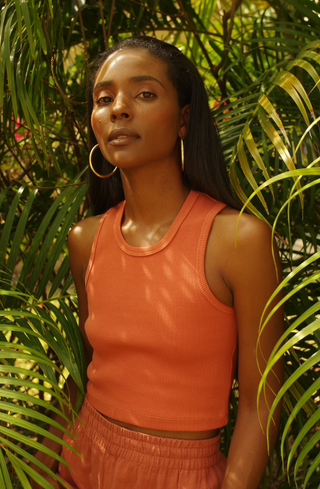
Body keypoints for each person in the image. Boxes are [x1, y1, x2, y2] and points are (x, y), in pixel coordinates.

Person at [31, 35, 283, 489]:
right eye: (104, 98)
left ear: (184, 119)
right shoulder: (86, 239)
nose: (119, 109)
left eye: (144, 94)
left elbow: (259, 402)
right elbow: (89, 371)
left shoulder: (239, 241)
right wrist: (33, 468)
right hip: (80, 463)